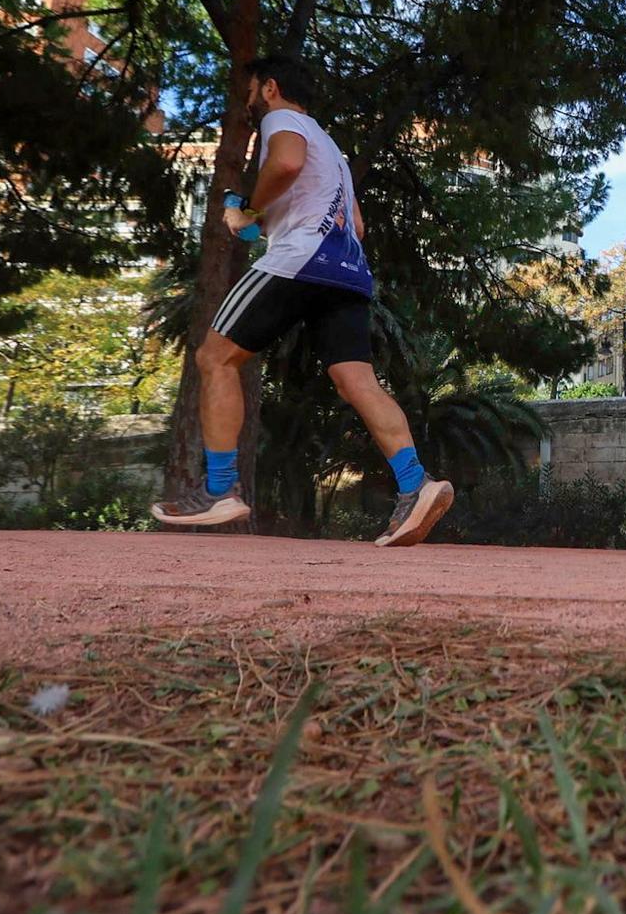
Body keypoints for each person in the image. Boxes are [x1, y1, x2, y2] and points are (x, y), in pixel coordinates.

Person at [151, 55, 454, 547]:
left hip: (300, 260)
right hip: (348, 269)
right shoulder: (331, 149)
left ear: (270, 88)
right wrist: (260, 220)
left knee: (215, 357)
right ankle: (415, 483)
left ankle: (219, 491)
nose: (249, 102)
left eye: (251, 92)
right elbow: (354, 223)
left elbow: (287, 164)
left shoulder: (281, 120)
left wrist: (248, 208)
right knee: (356, 380)